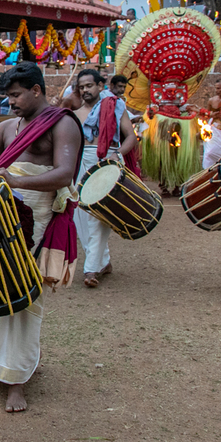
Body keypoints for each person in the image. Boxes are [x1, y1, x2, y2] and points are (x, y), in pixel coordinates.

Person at [0, 62, 82, 412]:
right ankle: (14, 364)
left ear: (36, 91)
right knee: (4, 284)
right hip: (3, 211)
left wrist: (16, 181)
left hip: (37, 215)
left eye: (15, 95)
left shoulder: (62, 122)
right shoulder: (9, 127)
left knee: (27, 293)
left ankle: (17, 380)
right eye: (7, 96)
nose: (9, 103)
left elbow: (64, 173)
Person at [73, 69, 136, 288]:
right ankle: (104, 261)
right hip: (81, 164)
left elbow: (131, 138)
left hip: (107, 162)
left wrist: (116, 154)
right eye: (81, 87)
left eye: (89, 86)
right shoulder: (76, 113)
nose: (85, 90)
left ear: (101, 86)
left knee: (99, 215)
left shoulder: (115, 106)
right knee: (80, 216)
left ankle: (91, 269)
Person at [201, 79, 221, 169]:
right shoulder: (211, 100)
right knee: (209, 153)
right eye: (216, 88)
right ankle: (208, 171)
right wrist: (212, 115)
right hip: (213, 128)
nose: (217, 91)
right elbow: (207, 114)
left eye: (219, 88)